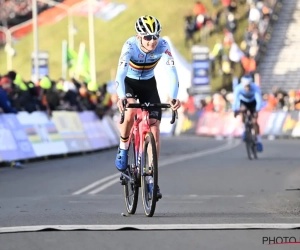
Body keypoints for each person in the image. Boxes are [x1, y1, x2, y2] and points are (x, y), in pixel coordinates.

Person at [114, 15, 181, 200]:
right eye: (147, 37)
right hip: (129, 83)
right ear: (139, 37)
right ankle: (123, 147)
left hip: (149, 85)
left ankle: (151, 179)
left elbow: (172, 74)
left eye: (155, 36)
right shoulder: (129, 46)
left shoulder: (163, 46)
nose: (152, 41)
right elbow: (119, 75)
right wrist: (121, 97)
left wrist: (174, 96)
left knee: (155, 127)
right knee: (130, 112)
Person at [232, 75, 263, 152]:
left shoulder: (255, 88)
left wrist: (257, 110)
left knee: (254, 122)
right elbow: (235, 100)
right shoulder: (238, 88)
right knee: (242, 111)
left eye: (249, 86)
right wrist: (235, 110)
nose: (247, 88)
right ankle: (244, 130)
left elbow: (259, 100)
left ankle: (259, 141)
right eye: (246, 87)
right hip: (244, 102)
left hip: (253, 102)